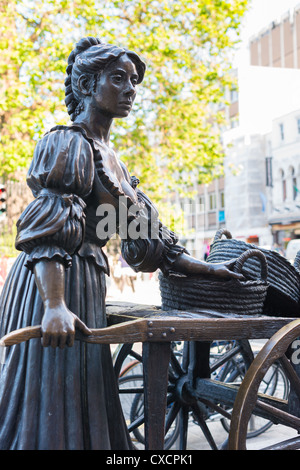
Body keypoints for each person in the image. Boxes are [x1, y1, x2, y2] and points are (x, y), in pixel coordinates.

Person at [0, 37, 242, 450]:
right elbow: (49, 230)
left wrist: (208, 268)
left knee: (84, 393)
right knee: (51, 397)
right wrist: (54, 304)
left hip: (85, 284)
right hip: (52, 283)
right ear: (86, 86)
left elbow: (144, 243)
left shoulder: (113, 160)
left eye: (134, 81)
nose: (131, 90)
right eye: (118, 79)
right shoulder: (67, 143)